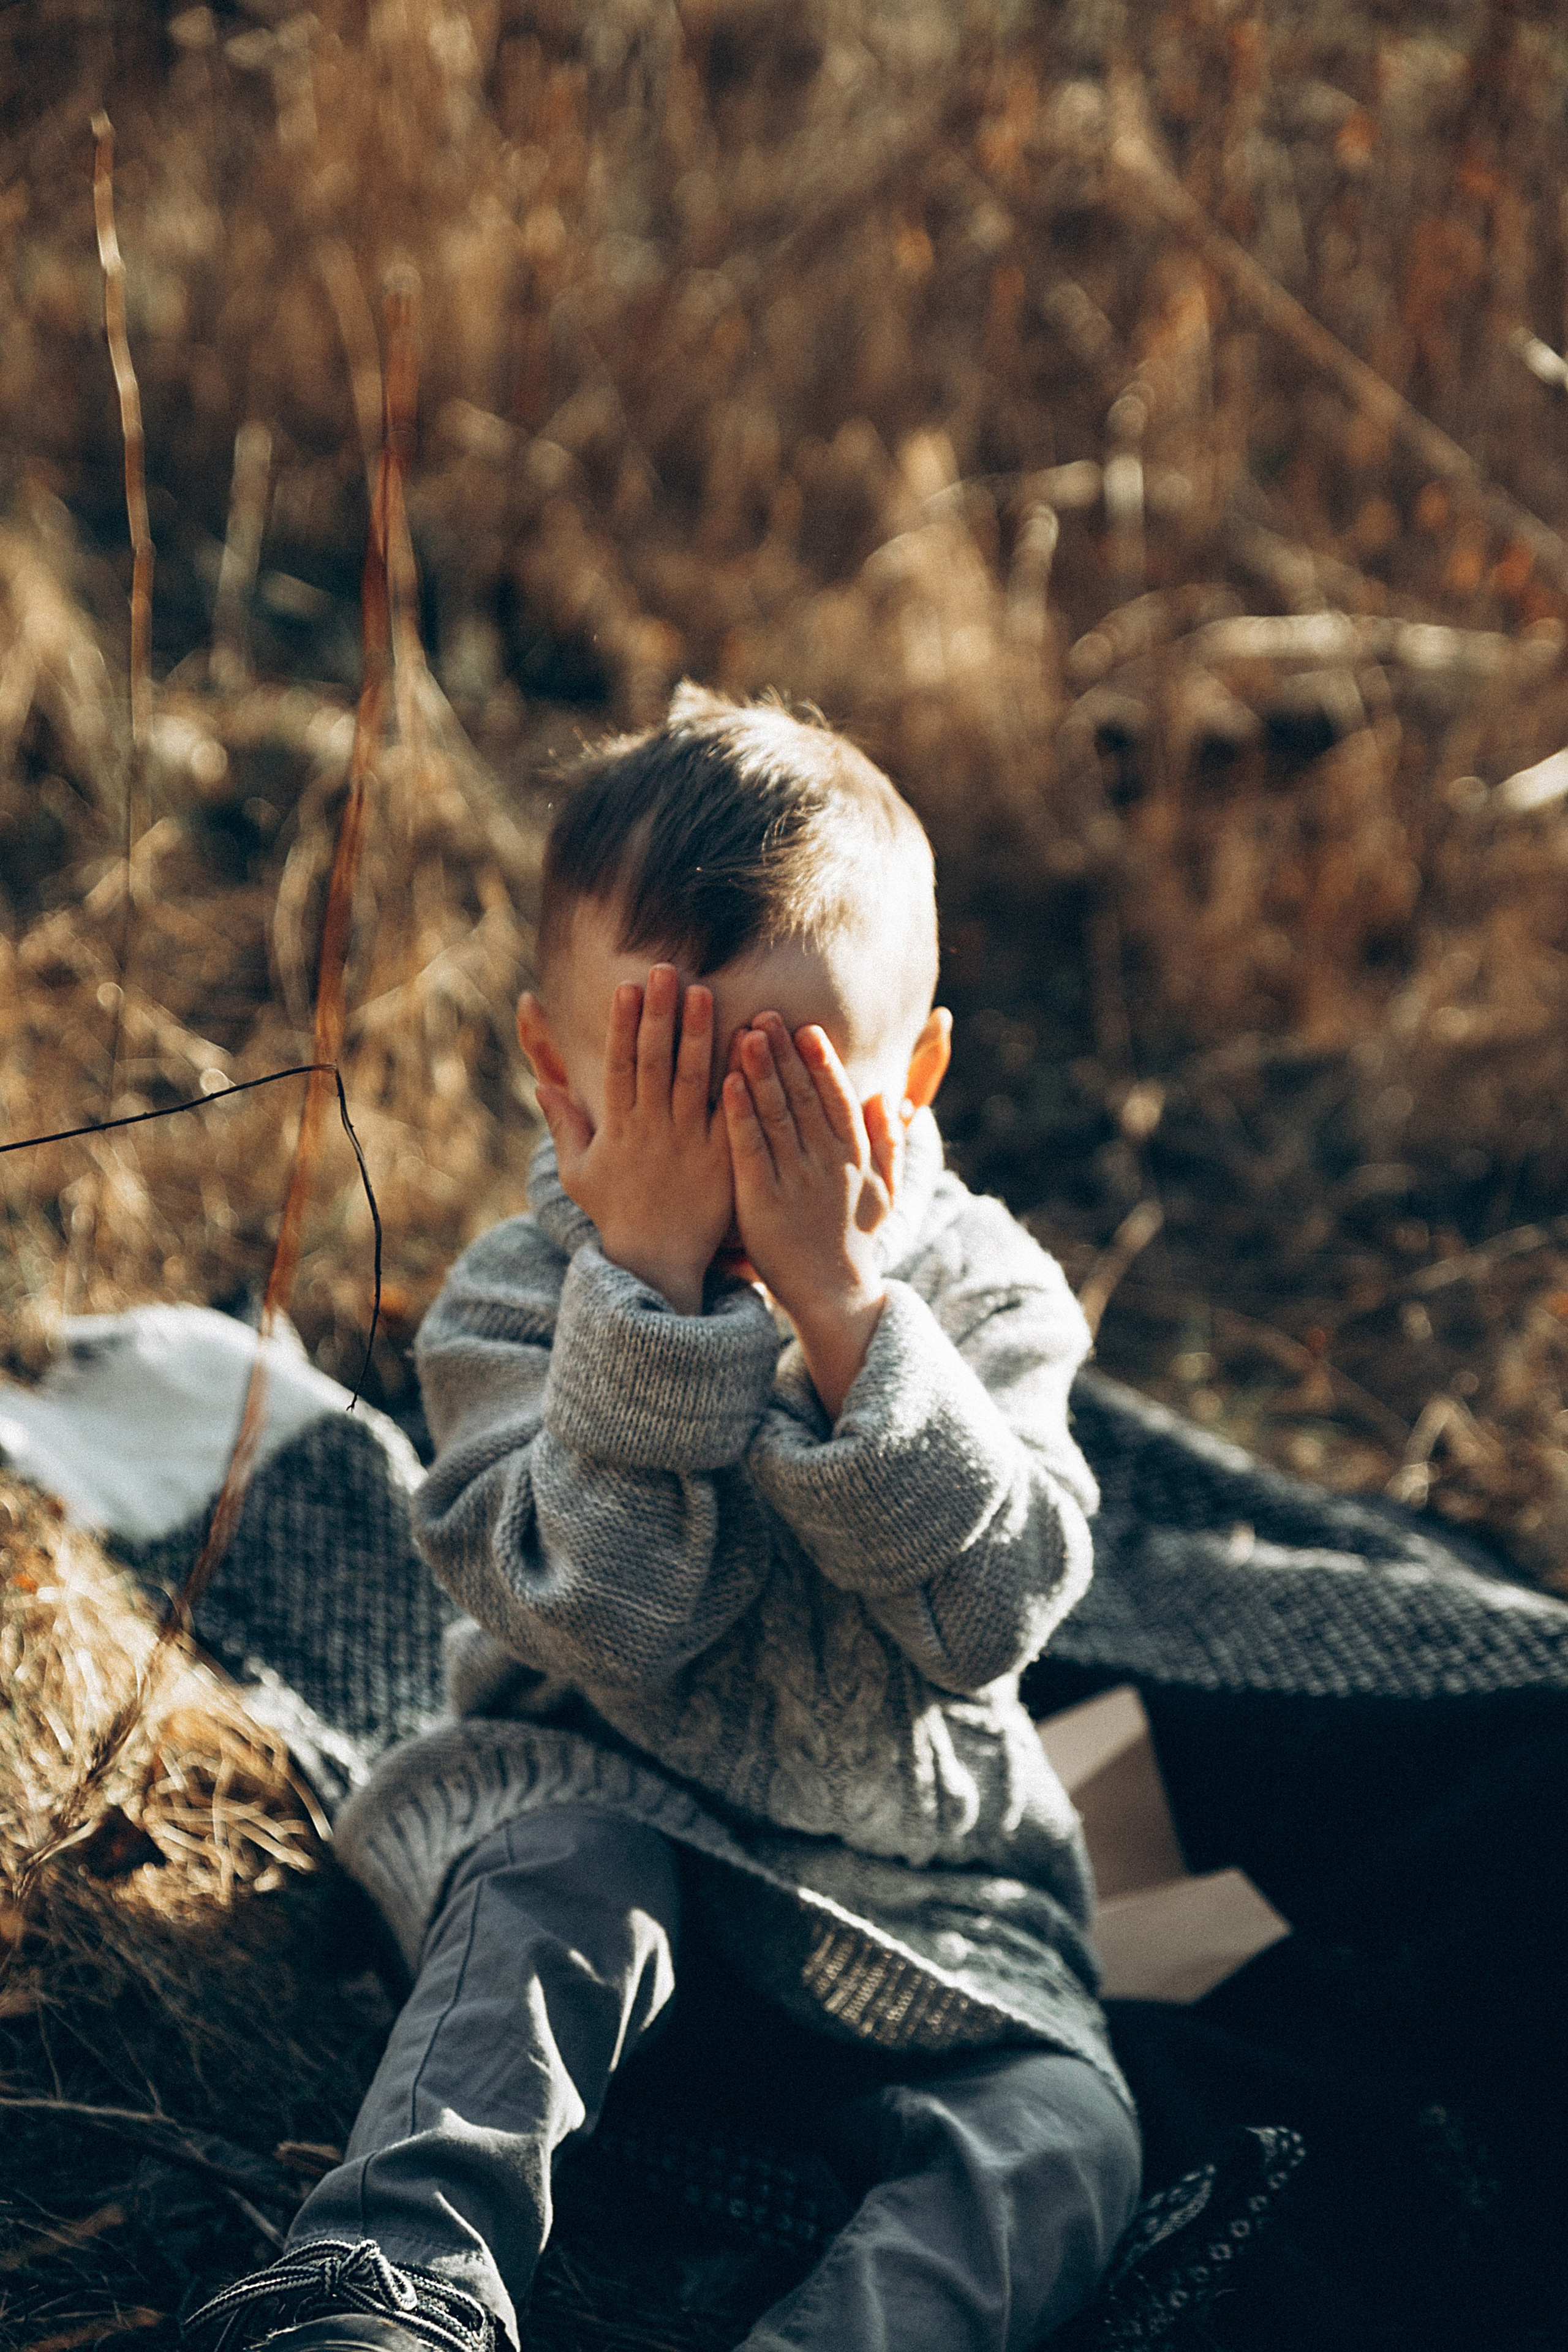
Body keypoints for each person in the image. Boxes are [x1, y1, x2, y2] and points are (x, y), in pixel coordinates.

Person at [189, 687, 1140, 2352]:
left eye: (786, 1101)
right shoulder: (517, 1304)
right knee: (542, 1887)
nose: (730, 1169)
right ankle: (392, 2289)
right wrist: (646, 1296)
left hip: (920, 1906)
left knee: (1070, 2137)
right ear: (560, 1080)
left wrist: (847, 1315)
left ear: (915, 1078)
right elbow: (605, 1618)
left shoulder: (988, 1295)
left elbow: (993, 1614)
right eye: (674, 1094)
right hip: (597, 1818)